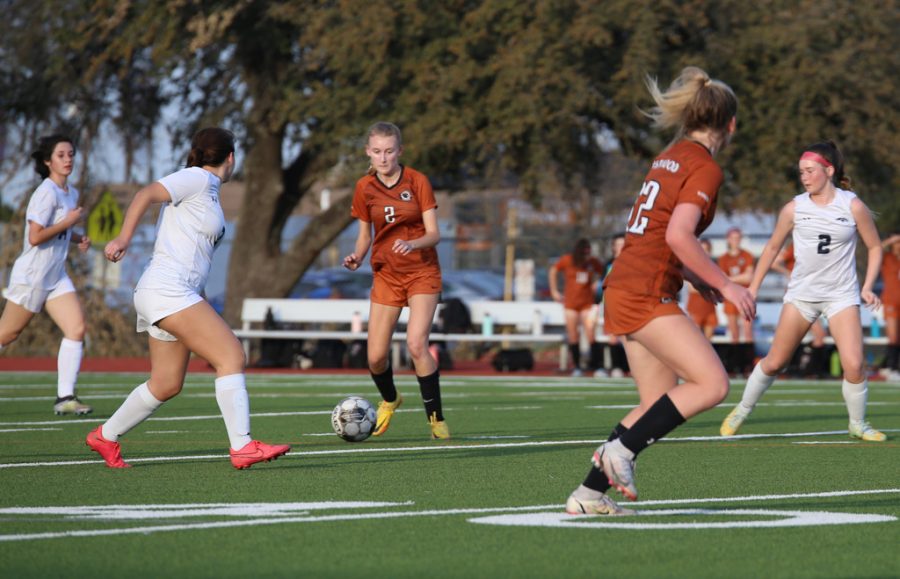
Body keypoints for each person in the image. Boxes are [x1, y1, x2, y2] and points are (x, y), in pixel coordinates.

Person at [565, 66, 754, 515]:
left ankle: (588, 495)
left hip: (625, 283)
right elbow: (678, 235)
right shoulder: (705, 167)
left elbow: (658, 233)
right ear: (730, 124)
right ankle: (619, 451)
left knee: (655, 404)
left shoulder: (670, 156)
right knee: (713, 384)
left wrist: (696, 277)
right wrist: (726, 283)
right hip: (644, 290)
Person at [86, 127, 290, 468]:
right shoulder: (197, 178)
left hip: (171, 292)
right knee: (232, 356)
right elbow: (146, 193)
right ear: (231, 158)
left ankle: (105, 436)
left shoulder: (209, 191)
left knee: (166, 383)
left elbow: (194, 254)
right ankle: (243, 446)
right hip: (167, 289)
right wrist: (123, 238)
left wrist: (201, 299)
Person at [720, 141, 886, 442]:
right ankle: (741, 410)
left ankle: (858, 424)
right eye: (801, 172)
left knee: (854, 364)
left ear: (829, 170)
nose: (804, 177)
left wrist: (867, 286)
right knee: (775, 362)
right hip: (801, 297)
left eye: (810, 171)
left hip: (841, 297)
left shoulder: (852, 206)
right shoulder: (794, 208)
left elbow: (874, 247)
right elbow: (772, 248)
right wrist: (753, 289)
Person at [342, 121, 449, 440]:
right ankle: (390, 398)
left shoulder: (417, 181)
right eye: (377, 151)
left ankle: (436, 419)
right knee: (375, 357)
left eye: (389, 151)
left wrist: (413, 244)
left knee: (416, 343)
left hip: (422, 272)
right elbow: (365, 236)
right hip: (386, 275)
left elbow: (434, 234)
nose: (383, 157)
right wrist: (357, 256)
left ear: (399, 151)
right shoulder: (364, 187)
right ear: (368, 152)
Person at [0, 135, 92, 415]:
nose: (68, 159)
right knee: (7, 334)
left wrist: (77, 237)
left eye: (71, 154)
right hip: (33, 276)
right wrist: (69, 222)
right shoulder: (46, 192)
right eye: (61, 155)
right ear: (47, 161)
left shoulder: (70, 192)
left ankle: (65, 398)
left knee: (76, 329)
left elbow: (59, 229)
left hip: (56, 275)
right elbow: (36, 236)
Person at [772, 241, 830, 377]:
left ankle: (806, 369)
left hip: (813, 293)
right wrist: (790, 273)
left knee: (817, 335)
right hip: (798, 294)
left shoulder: (817, 243)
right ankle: (805, 369)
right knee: (817, 334)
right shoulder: (796, 244)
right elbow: (774, 263)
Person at [549, 238, 604, 376]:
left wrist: (596, 283)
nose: (586, 257)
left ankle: (598, 367)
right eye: (584, 254)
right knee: (573, 336)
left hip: (587, 304)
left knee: (591, 334)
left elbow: (603, 272)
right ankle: (577, 367)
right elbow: (553, 270)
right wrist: (554, 291)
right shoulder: (567, 260)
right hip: (571, 305)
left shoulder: (592, 262)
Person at [718, 227, 756, 374]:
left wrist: (730, 280)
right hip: (730, 298)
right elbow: (721, 277)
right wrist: (735, 279)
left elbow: (749, 277)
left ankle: (748, 366)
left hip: (745, 297)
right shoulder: (723, 258)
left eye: (738, 238)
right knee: (734, 333)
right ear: (728, 239)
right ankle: (735, 366)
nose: (736, 241)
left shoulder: (747, 255)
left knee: (748, 331)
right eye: (733, 238)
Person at [599, 235, 629, 377]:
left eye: (624, 243)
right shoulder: (608, 264)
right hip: (611, 304)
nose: (621, 246)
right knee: (613, 337)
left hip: (628, 304)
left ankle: (627, 366)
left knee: (629, 337)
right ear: (614, 247)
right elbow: (602, 285)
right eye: (618, 244)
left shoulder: (632, 263)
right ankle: (616, 367)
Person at [685, 238, 719, 339]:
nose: (704, 253)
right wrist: (711, 286)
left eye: (706, 250)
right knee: (695, 339)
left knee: (708, 341)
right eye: (702, 250)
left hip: (710, 308)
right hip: (696, 308)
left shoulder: (713, 268)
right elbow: (691, 288)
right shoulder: (691, 267)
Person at [881, 234, 900, 381]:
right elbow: (876, 249)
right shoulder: (887, 258)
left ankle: (889, 366)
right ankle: (890, 368)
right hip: (891, 302)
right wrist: (890, 240)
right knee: (893, 337)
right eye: (897, 242)